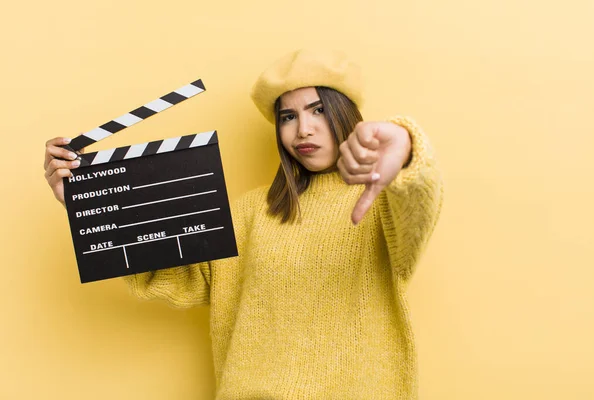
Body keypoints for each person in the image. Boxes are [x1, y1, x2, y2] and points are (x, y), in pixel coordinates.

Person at [44, 49, 443, 399]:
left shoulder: (384, 203)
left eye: (318, 110)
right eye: (288, 116)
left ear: (346, 114)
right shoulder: (250, 213)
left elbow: (419, 203)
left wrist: (405, 147)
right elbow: (175, 272)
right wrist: (87, 204)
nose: (302, 129)